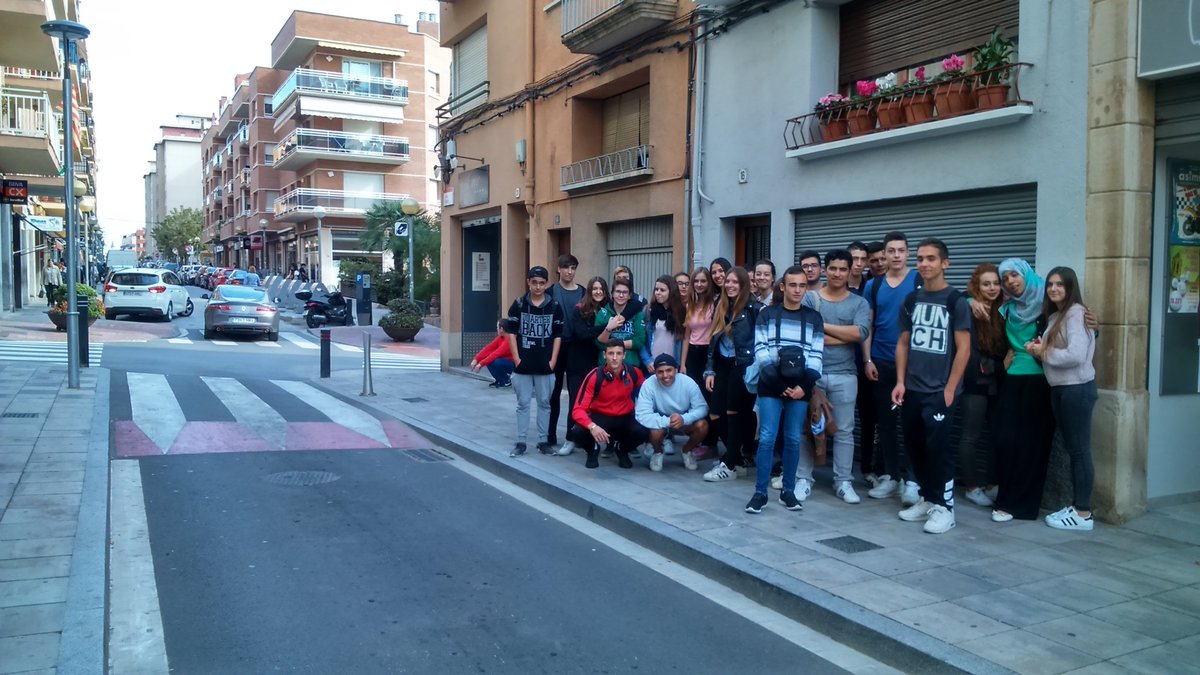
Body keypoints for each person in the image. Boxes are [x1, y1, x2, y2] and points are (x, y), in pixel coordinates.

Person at [890, 239, 972, 534]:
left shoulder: (955, 301)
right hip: (912, 389)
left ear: (944, 263)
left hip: (939, 391)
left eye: (931, 259)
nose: (924, 264)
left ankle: (945, 509)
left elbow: (964, 349)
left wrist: (950, 389)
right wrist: (900, 382)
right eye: (921, 259)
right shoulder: (912, 300)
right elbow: (903, 343)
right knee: (916, 448)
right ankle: (928, 498)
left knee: (939, 451)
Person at [744, 265, 825, 514]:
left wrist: (803, 387)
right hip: (771, 386)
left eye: (802, 285)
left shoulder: (814, 318)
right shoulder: (767, 314)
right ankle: (760, 493)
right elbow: (760, 351)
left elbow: (816, 357)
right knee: (767, 437)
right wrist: (779, 386)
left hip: (801, 388)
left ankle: (788, 491)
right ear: (783, 287)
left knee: (792, 438)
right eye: (793, 285)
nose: (798, 290)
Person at [792, 250, 870, 504]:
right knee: (806, 428)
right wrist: (843, 335)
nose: (837, 273)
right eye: (833, 268)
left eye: (843, 269)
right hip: (811, 374)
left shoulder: (859, 303)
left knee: (845, 431)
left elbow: (860, 333)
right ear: (825, 270)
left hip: (845, 374)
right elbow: (804, 333)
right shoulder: (810, 299)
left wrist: (822, 326)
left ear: (850, 271)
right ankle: (803, 478)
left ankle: (843, 481)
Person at [1025, 266, 1097, 531]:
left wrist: (1042, 352)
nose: (1054, 289)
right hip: (1062, 389)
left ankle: (1083, 513)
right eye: (1050, 284)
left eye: (1060, 284)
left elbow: (1076, 355)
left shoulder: (1076, 313)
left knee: (1079, 451)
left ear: (1070, 287)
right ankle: (1077, 507)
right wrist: (1040, 349)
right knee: (1074, 450)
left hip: (1076, 389)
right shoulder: (1058, 315)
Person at [991, 259, 1056, 522]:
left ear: (1026, 275)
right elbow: (972, 295)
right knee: (1006, 440)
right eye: (1005, 278)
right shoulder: (1008, 308)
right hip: (1012, 379)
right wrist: (971, 302)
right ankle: (1006, 498)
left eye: (1014, 275)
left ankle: (1022, 506)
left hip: (1040, 381)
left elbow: (1076, 328)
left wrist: (1093, 325)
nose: (1010, 282)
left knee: (1031, 445)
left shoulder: (1049, 305)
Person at [863, 231, 921, 505]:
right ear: (884, 255)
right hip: (881, 361)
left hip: (912, 364)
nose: (896, 255)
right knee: (885, 423)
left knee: (911, 423)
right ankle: (891, 476)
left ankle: (912, 480)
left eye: (901, 250)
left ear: (907, 253)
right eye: (891, 251)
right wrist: (867, 360)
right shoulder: (873, 285)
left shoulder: (919, 280)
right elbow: (868, 325)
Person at [702, 267, 761, 482]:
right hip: (722, 366)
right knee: (715, 414)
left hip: (742, 367)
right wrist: (710, 369)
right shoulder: (722, 305)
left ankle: (730, 464)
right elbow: (713, 341)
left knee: (734, 414)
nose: (730, 285)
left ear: (744, 285)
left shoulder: (754, 308)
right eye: (728, 281)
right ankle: (735, 458)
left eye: (735, 282)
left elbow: (759, 341)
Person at [957, 263, 1006, 508]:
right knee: (971, 435)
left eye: (996, 283)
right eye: (986, 284)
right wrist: (969, 300)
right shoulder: (967, 308)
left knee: (997, 435)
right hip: (975, 382)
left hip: (1000, 381)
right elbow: (953, 299)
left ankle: (991, 483)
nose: (992, 288)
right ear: (976, 286)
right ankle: (972, 486)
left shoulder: (1004, 309)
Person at [506, 266, 565, 457]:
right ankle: (521, 442)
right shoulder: (519, 304)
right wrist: (516, 359)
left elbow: (558, 335)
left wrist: (553, 360)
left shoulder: (554, 306)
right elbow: (511, 333)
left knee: (544, 404)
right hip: (523, 365)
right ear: (528, 282)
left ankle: (543, 441)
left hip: (545, 365)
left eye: (541, 283)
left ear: (546, 284)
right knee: (523, 404)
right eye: (534, 283)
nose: (538, 287)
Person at [569, 339, 647, 469]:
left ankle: (622, 449)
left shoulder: (633, 372)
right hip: (600, 418)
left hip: (624, 417)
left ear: (624, 355)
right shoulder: (594, 376)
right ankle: (592, 449)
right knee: (577, 432)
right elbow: (577, 410)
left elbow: (649, 390)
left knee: (643, 430)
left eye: (618, 353)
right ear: (604, 355)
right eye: (611, 353)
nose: (614, 358)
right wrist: (593, 427)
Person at [560, 277, 613, 456]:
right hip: (577, 364)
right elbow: (582, 334)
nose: (598, 292)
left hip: (598, 364)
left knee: (598, 405)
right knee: (576, 403)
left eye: (601, 289)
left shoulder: (608, 310)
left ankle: (596, 440)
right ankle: (570, 439)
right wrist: (606, 327)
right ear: (589, 291)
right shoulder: (580, 309)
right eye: (595, 288)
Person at [635, 353, 709, 471]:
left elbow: (702, 408)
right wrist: (668, 421)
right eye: (660, 372)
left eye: (669, 370)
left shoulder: (688, 382)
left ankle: (687, 451)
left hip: (683, 419)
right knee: (654, 432)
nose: (665, 375)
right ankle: (658, 452)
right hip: (661, 420)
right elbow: (641, 413)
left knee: (702, 426)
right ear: (655, 373)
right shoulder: (648, 384)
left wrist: (684, 419)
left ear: (676, 370)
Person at [680, 267, 718, 457]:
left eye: (703, 281)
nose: (699, 284)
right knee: (695, 399)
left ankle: (711, 443)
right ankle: (699, 438)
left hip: (708, 354)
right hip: (692, 354)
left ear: (709, 283)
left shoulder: (715, 304)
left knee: (709, 398)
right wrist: (683, 364)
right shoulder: (691, 305)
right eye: (696, 281)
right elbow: (687, 336)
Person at [547, 254, 583, 448]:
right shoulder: (550, 292)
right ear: (559, 269)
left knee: (575, 394)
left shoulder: (583, 293)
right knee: (553, 393)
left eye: (573, 268)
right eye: (566, 267)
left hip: (577, 349)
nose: (570, 271)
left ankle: (571, 435)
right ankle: (550, 433)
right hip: (556, 347)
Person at [595, 278, 645, 369]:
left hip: (630, 365)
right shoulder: (603, 313)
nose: (621, 295)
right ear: (612, 294)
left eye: (625, 292)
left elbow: (639, 341)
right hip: (606, 365)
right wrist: (608, 328)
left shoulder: (638, 314)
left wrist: (614, 345)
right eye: (618, 291)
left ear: (630, 295)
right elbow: (598, 343)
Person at [640, 275, 686, 369]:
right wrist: (648, 361)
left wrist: (680, 365)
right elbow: (641, 340)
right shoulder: (648, 310)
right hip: (652, 364)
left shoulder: (681, 312)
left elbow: (684, 339)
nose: (658, 293)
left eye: (662, 290)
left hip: (673, 364)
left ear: (671, 291)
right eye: (656, 289)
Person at [470, 320, 515, 388]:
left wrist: (480, 364)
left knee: (494, 361)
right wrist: (476, 359)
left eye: (497, 327)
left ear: (501, 329)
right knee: (490, 361)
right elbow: (488, 348)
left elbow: (496, 353)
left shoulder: (509, 339)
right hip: (506, 362)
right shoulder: (500, 338)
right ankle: (500, 380)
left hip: (513, 365)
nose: (496, 329)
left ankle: (506, 381)